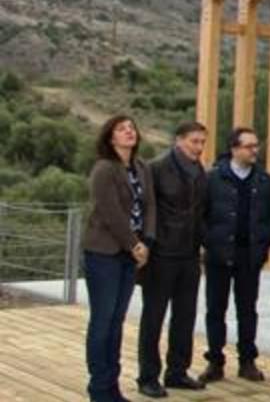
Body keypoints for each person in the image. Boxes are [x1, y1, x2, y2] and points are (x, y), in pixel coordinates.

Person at [201, 127, 270, 384]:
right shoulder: (213, 178)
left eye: (256, 145)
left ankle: (247, 361)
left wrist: (263, 246)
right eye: (249, 146)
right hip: (218, 255)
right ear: (234, 148)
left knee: (247, 310)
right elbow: (200, 215)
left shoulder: (264, 181)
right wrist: (210, 242)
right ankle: (215, 362)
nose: (254, 150)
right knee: (216, 309)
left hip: (249, 256)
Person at [84, 115, 155, 402]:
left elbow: (150, 207)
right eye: (121, 129)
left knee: (117, 321)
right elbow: (110, 211)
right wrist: (133, 244)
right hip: (104, 253)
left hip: (131, 254)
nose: (129, 132)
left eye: (131, 128)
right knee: (102, 321)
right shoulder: (104, 168)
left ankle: (112, 387)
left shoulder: (141, 167)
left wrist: (146, 242)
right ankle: (99, 388)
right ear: (110, 137)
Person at [136, 121, 209, 397]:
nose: (199, 147)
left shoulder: (200, 171)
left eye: (202, 142)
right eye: (194, 141)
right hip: (161, 255)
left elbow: (201, 211)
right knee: (153, 318)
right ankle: (147, 376)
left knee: (185, 317)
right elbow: (145, 210)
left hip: (190, 255)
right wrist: (146, 246)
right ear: (178, 140)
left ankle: (177, 372)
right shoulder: (156, 168)